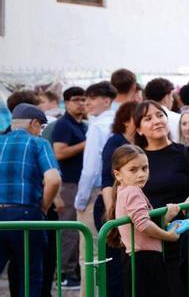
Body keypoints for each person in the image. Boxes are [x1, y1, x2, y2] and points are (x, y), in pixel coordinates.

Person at [133, 100, 189, 296]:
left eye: (159, 115)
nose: (156, 121)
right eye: (148, 119)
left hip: (183, 240)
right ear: (139, 129)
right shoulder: (134, 159)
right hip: (147, 240)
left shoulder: (186, 153)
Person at [0, 104, 61, 297]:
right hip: (26, 214)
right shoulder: (38, 144)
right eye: (41, 127)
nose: (41, 132)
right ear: (34, 123)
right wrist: (43, 206)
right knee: (31, 275)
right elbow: (53, 179)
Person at [107, 145, 181, 297]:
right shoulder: (133, 191)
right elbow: (142, 224)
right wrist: (169, 236)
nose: (141, 174)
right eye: (133, 170)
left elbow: (140, 221)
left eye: (144, 168)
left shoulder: (122, 191)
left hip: (136, 260)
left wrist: (167, 217)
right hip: (145, 260)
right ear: (118, 174)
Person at [75, 81, 118, 290]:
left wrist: (80, 200)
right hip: (117, 191)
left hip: (96, 193)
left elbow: (90, 169)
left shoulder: (97, 127)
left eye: (91, 98)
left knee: (90, 254)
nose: (87, 103)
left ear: (106, 100)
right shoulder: (118, 123)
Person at [98, 101, 138, 297]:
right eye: (137, 117)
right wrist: (113, 214)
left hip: (134, 211)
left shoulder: (140, 141)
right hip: (115, 209)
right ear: (125, 120)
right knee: (115, 266)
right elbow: (107, 180)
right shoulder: (115, 142)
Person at [51, 86, 88, 288]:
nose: (81, 103)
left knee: (76, 230)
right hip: (67, 184)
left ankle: (72, 271)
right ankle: (65, 274)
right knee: (68, 230)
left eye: (84, 99)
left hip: (79, 183)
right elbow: (60, 152)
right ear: (66, 102)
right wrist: (86, 143)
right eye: (76, 99)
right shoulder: (63, 125)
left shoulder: (82, 124)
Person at [143, 78, 181, 143]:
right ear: (166, 98)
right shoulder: (179, 118)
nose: (173, 99)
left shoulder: (141, 119)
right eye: (171, 96)